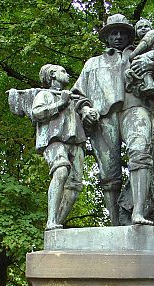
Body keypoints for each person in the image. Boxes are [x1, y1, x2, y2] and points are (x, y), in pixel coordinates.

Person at [74, 14, 154, 226]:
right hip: (104, 117)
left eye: (123, 32)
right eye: (114, 33)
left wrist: (151, 65)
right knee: (109, 174)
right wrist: (84, 109)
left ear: (130, 35)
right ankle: (114, 224)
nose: (118, 36)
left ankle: (138, 213)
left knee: (140, 153)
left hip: (136, 108)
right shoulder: (93, 63)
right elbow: (77, 93)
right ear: (107, 37)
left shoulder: (145, 53)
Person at [31, 64, 99, 230]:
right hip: (54, 141)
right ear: (53, 75)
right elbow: (37, 113)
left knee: (75, 185)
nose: (67, 75)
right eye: (63, 71)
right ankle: (51, 220)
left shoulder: (73, 98)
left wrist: (90, 114)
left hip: (76, 143)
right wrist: (60, 103)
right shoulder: (44, 94)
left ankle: (56, 225)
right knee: (61, 171)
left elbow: (84, 113)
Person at [126, 18, 154, 98]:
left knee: (138, 60)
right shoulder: (145, 52)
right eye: (139, 27)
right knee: (142, 65)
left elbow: (144, 44)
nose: (143, 28)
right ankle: (150, 84)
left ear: (151, 28)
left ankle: (150, 84)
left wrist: (132, 56)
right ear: (136, 33)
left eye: (146, 26)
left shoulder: (152, 33)